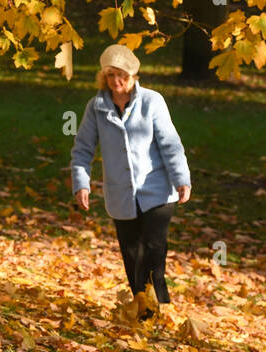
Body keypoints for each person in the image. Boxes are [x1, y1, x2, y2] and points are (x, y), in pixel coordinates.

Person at [70, 44, 192, 320]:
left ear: (133, 75)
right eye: (111, 75)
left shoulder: (152, 102)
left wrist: (182, 179)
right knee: (131, 252)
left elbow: (171, 145)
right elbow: (82, 149)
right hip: (120, 194)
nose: (116, 81)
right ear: (104, 77)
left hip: (158, 190)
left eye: (122, 75)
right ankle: (142, 306)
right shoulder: (97, 107)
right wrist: (81, 183)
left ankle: (159, 306)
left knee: (153, 248)